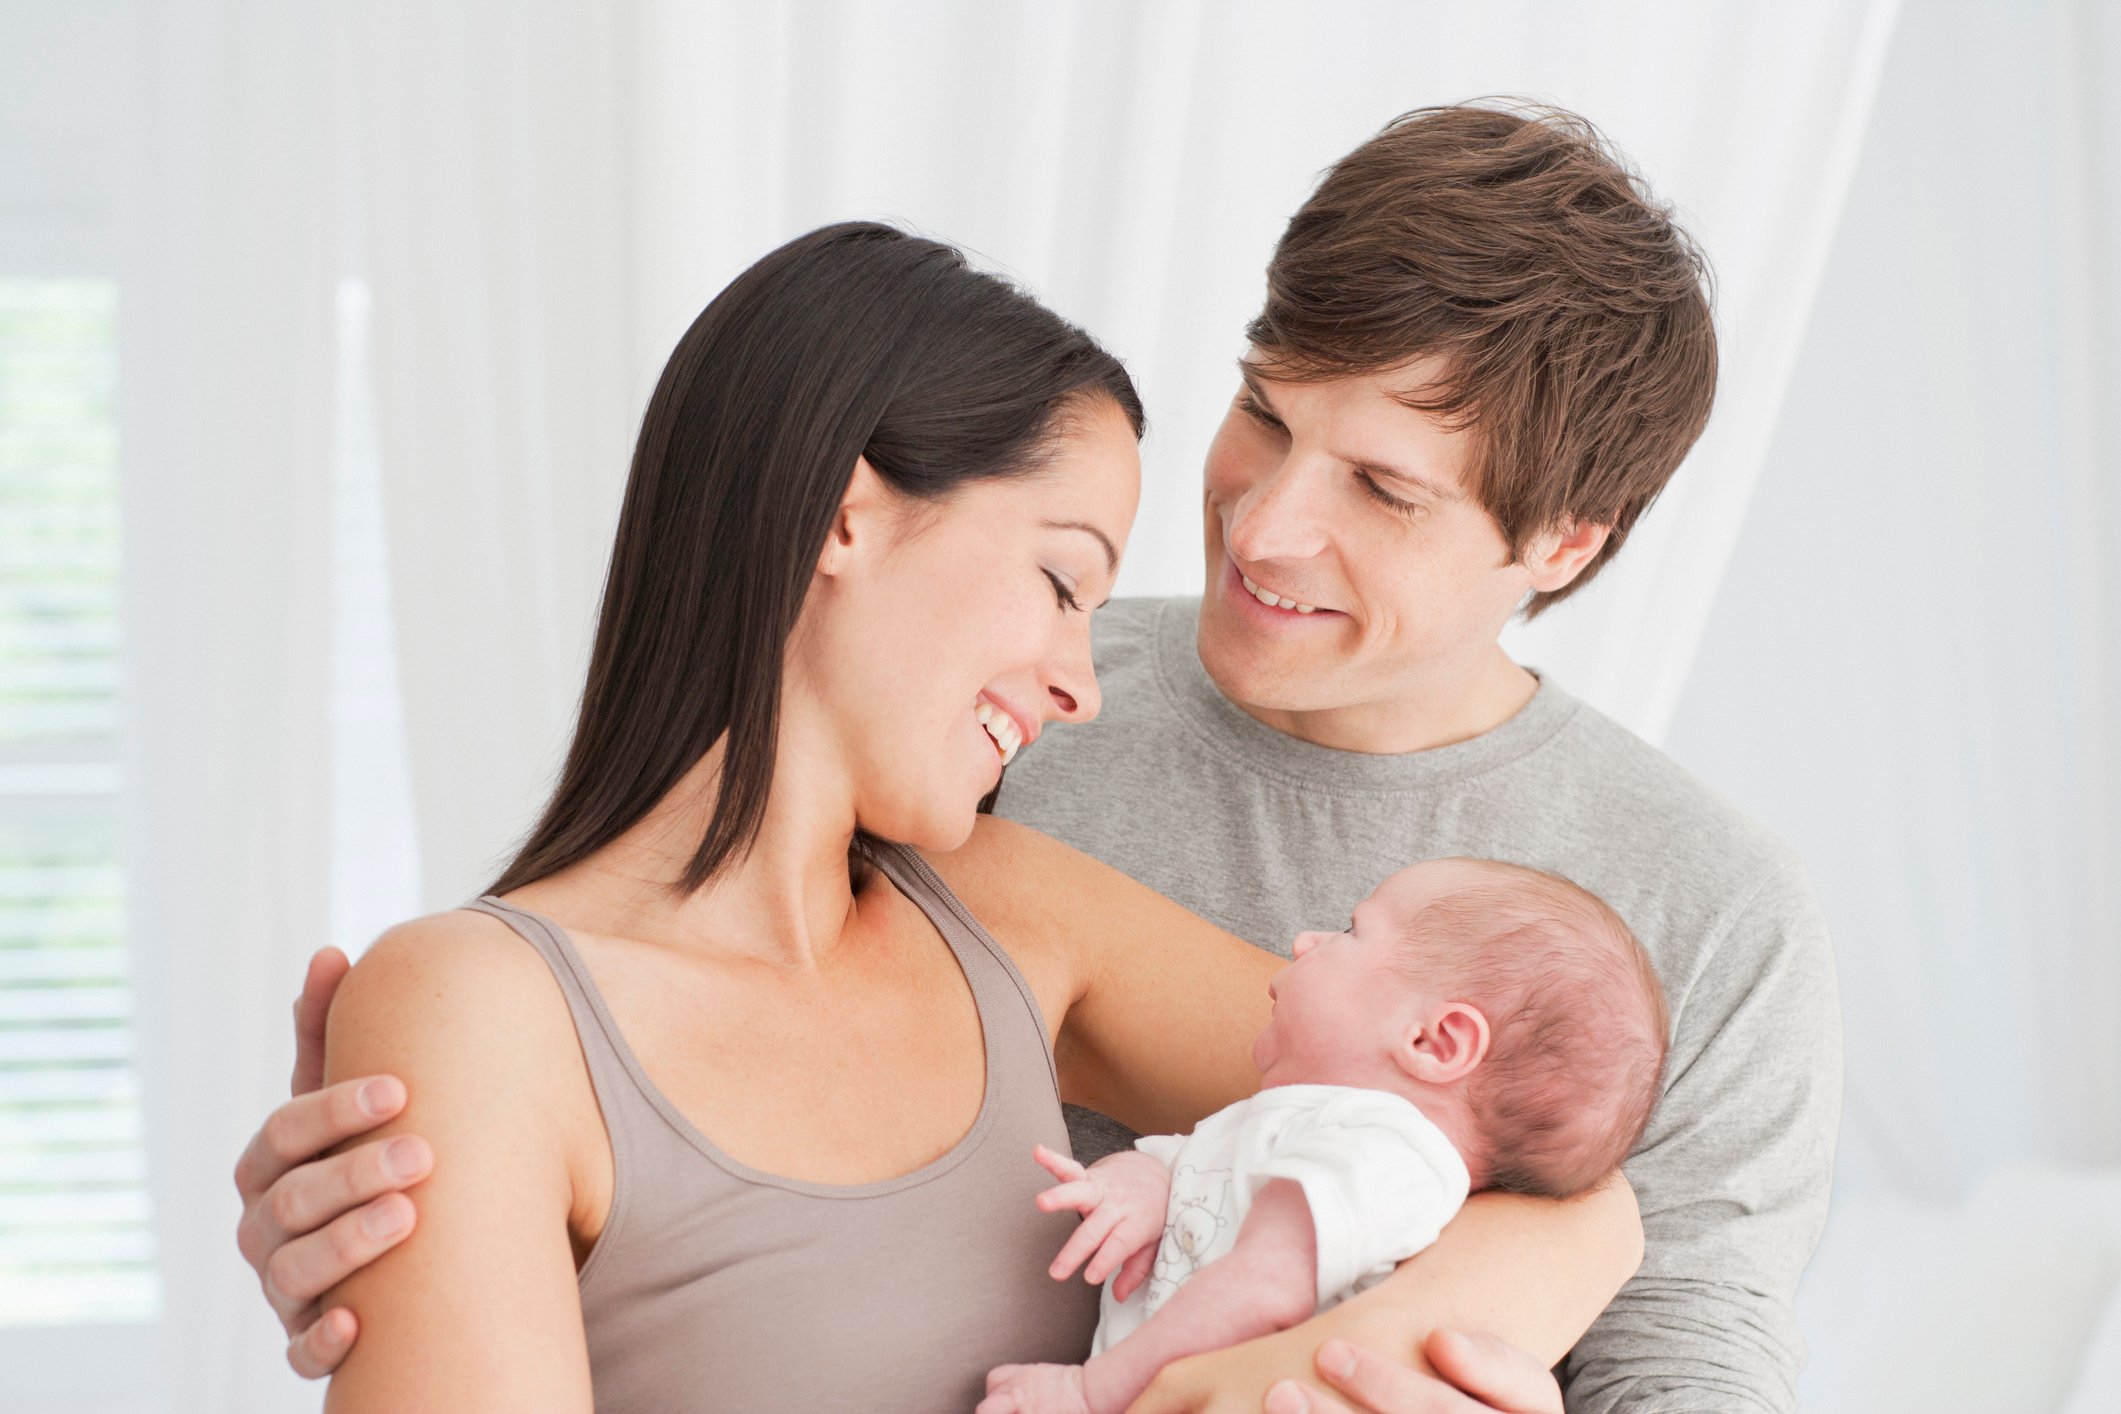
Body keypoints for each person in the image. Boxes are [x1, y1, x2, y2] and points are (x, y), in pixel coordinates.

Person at [237, 100, 1839, 1412]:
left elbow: (1597, 1229)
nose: (1265, 527)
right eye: (1264, 419)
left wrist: (1255, 1375)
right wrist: (425, 1238)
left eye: (1385, 488)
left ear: (1562, 542)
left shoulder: (1008, 885)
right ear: (844, 516)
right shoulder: (958, 786)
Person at [979, 858, 1669, 1414]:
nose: (1303, 942)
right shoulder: (1312, 1126)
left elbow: (1261, 1292)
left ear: (1433, 1039)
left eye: (1348, 931)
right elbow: (1211, 1177)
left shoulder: (1388, 1155)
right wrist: (1150, 1183)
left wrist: (1088, 1394)